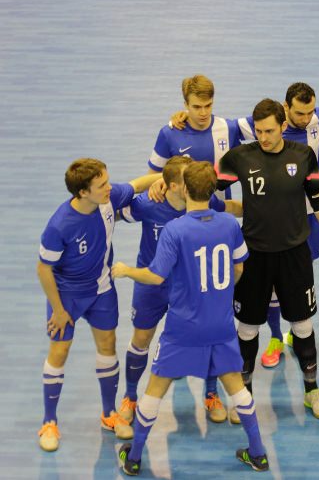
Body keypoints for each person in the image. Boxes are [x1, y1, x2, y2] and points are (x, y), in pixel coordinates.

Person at [169, 82, 319, 368]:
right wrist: (181, 125)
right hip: (261, 233)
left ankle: (297, 342)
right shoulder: (256, 132)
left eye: (310, 113)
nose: (306, 118)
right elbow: (215, 129)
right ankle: (275, 338)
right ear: (285, 111)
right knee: (263, 296)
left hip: (302, 223)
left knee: (294, 289)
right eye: (299, 113)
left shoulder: (312, 130)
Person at [112, 161, 268, 474]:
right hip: (221, 323)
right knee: (237, 386)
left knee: (156, 388)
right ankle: (259, 453)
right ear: (212, 189)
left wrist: (127, 271)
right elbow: (238, 268)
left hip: (183, 327)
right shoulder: (227, 225)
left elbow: (157, 276)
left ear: (184, 189)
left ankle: (134, 457)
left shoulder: (176, 229)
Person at [218, 98, 319, 420]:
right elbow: (207, 188)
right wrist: (227, 210)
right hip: (253, 256)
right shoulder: (240, 157)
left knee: (302, 324)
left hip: (294, 255)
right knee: (246, 328)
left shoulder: (303, 156)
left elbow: (318, 198)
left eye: (269, 130)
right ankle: (243, 396)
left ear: (283, 126)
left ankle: (312, 390)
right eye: (258, 131)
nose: (263, 137)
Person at [37, 158, 161, 452]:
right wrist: (58, 309)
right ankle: (49, 422)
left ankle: (109, 414)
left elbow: (135, 185)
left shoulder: (106, 200)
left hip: (102, 290)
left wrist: (167, 178)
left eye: (107, 181)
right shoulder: (59, 226)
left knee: (107, 346)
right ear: (82, 192)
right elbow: (43, 269)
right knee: (60, 350)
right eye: (102, 185)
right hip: (66, 295)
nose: (109, 188)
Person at [116, 156, 243, 424]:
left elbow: (230, 209)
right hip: (152, 284)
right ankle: (130, 397)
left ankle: (211, 394)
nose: (194, 185)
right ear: (173, 186)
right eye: (186, 180)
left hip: (191, 286)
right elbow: (114, 212)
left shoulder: (203, 201)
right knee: (141, 339)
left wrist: (269, 207)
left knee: (208, 336)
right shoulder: (149, 204)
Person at [148, 74, 242, 199]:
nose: (203, 113)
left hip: (218, 212)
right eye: (197, 107)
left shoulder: (229, 129)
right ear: (186, 105)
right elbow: (152, 177)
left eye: (208, 106)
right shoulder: (168, 134)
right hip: (181, 214)